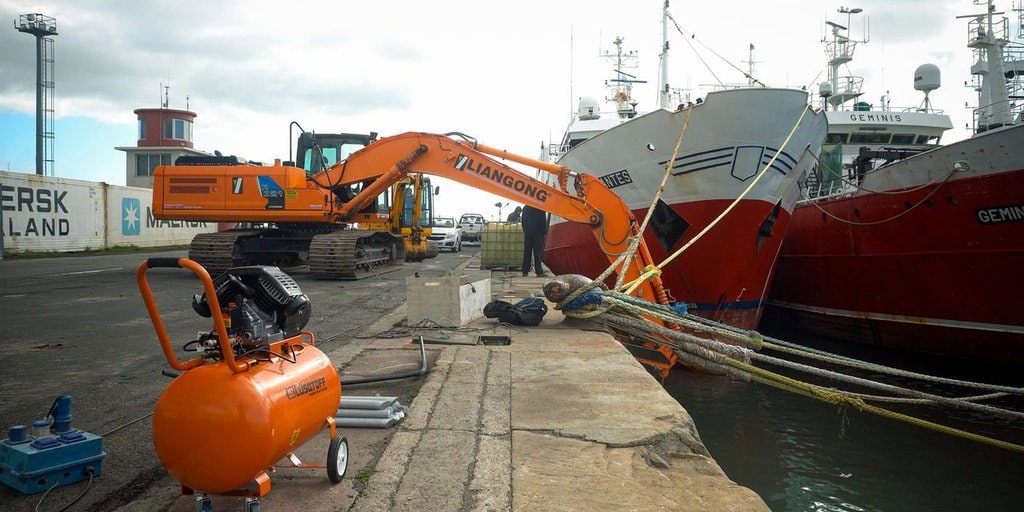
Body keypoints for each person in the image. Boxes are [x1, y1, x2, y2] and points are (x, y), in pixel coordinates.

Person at [520, 205, 547, 277]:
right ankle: (539, 272)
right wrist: (544, 232)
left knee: (527, 253)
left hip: (528, 233)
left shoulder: (526, 208)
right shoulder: (540, 208)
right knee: (537, 254)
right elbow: (543, 221)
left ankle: (525, 271)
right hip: (538, 234)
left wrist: (526, 231)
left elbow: (523, 221)